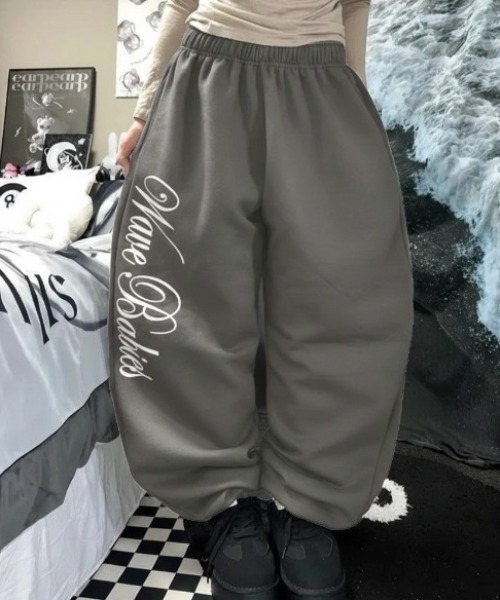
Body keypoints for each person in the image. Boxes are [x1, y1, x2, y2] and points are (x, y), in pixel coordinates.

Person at [110, 1, 414, 599]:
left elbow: (355, 5)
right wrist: (145, 112)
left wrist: (355, 108)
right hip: (206, 81)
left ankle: (308, 500)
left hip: (324, 83)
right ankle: (223, 502)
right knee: (192, 303)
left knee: (339, 305)